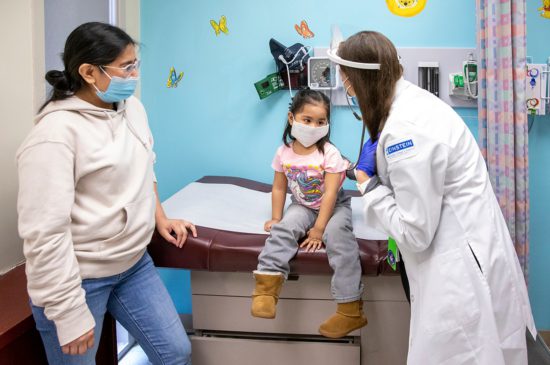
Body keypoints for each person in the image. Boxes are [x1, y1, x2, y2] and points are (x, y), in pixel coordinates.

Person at [332, 30, 537, 364]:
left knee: (464, 352)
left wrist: (368, 185)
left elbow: (415, 233)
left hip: (458, 272)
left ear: (357, 80)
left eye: (346, 80)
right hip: (471, 250)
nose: (347, 89)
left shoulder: (405, 130)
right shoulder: (412, 103)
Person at [17, 22, 195, 364]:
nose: (134, 74)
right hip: (80, 278)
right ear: (88, 72)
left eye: (135, 64)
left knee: (175, 353)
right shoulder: (54, 136)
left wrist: (159, 216)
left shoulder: (132, 110)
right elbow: (44, 234)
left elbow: (146, 166)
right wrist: (68, 312)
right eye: (126, 67)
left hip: (132, 265)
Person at [250, 89, 368, 339]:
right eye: (307, 120)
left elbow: (330, 194)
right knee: (283, 230)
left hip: (333, 206)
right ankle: (266, 289)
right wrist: (276, 216)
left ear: (327, 125)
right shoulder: (284, 153)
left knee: (339, 238)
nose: (314, 126)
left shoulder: (330, 154)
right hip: (302, 204)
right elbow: (279, 186)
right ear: (292, 118)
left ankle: (349, 309)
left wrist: (319, 229)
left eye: (321, 122)